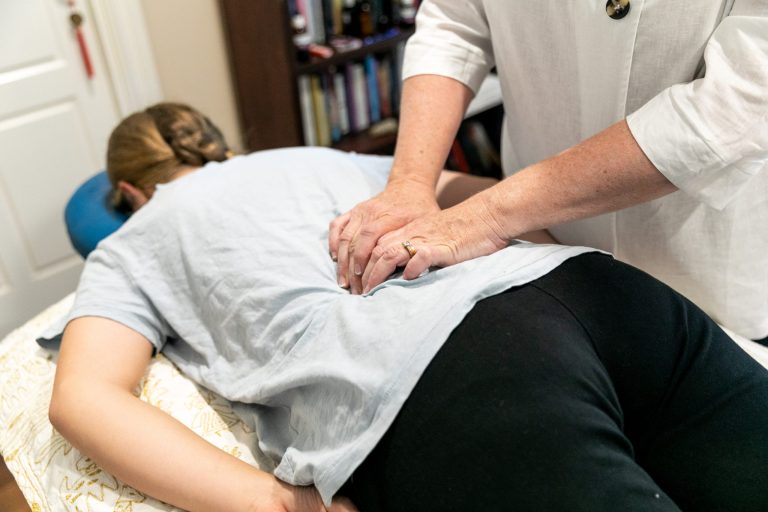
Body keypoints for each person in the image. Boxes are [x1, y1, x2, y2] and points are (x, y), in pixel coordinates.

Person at [49, 104, 768, 512]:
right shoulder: (320, 156)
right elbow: (481, 194)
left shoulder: (129, 241)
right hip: (597, 295)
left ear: (129, 193)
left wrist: (277, 503)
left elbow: (82, 400)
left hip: (457, 378)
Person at [329, 1, 768, 346]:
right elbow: (454, 22)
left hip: (703, 274)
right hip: (535, 248)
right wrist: (409, 183)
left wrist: (487, 215)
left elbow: (735, 107)